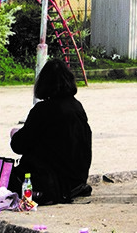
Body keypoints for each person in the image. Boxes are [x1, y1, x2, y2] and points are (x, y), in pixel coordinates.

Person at [9, 58, 92, 205]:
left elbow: (19, 146)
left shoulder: (42, 110)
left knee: (5, 176)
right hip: (77, 179)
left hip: (52, 181)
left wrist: (15, 134)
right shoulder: (77, 106)